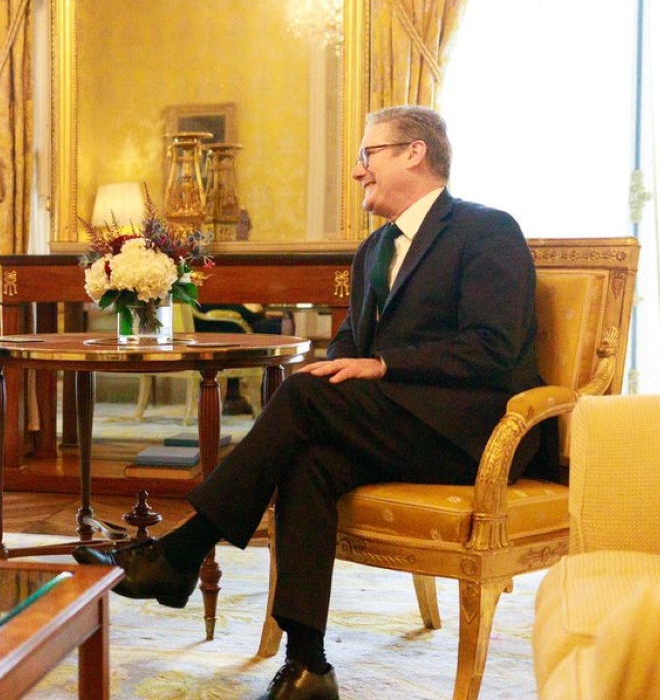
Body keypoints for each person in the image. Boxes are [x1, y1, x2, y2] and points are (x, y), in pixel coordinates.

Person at [74, 106, 547, 700]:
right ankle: (309, 665)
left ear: (413, 154)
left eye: (367, 155)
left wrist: (384, 365)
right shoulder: (374, 249)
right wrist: (355, 362)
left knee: (300, 393)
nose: (357, 172)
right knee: (308, 461)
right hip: (396, 426)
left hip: (472, 433)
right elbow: (350, 346)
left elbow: (493, 349)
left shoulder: (485, 229)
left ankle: (183, 551)